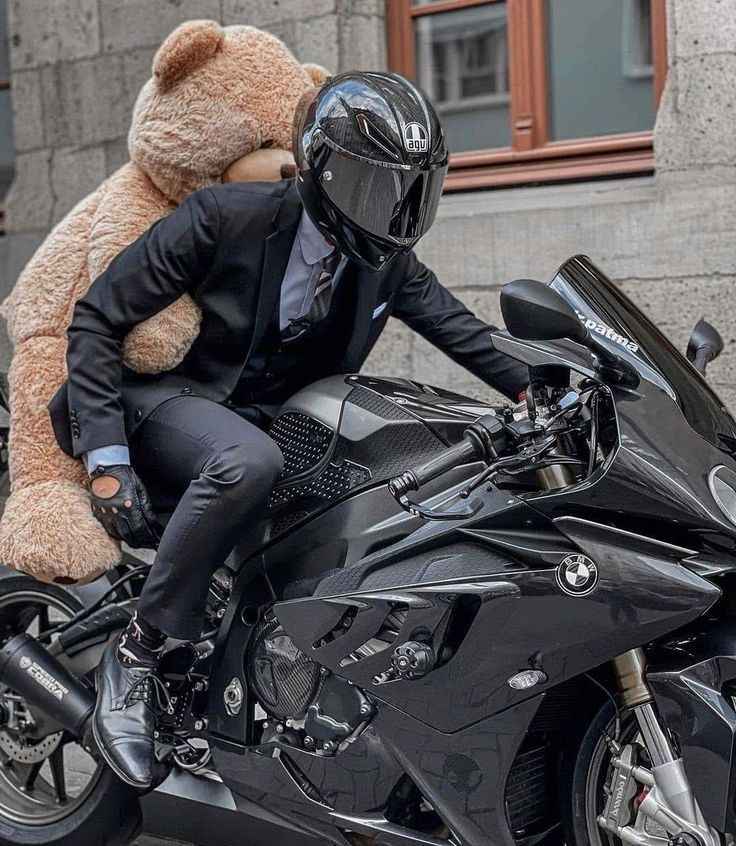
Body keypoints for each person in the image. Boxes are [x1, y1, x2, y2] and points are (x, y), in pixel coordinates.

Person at [49, 71, 528, 788]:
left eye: (408, 189)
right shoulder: (224, 216)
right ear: (323, 169)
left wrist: (554, 384)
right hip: (162, 406)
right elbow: (96, 317)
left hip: (264, 430)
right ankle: (138, 655)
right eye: (376, 186)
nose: (392, 209)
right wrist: (107, 458)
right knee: (249, 459)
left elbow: (471, 335)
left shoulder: (386, 266)